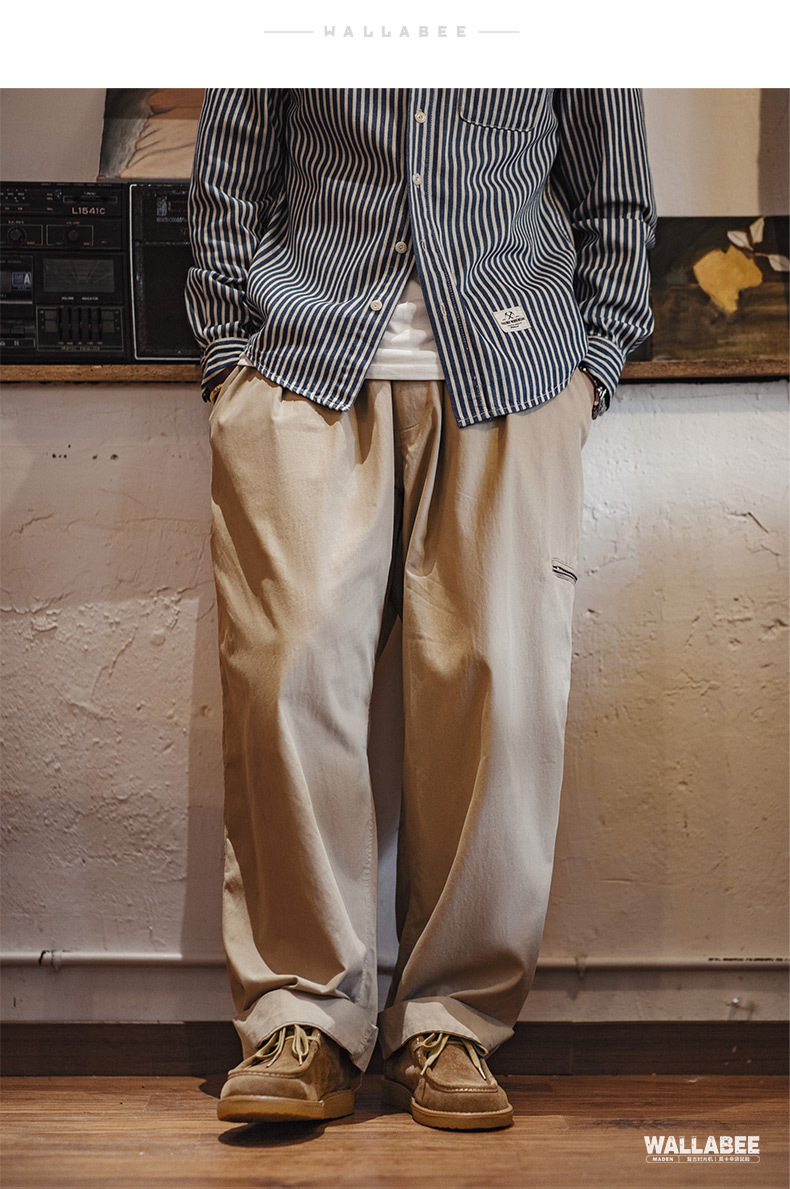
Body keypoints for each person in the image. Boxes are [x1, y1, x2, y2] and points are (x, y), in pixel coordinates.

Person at [185, 88, 656, 1131]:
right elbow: (227, 178)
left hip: (513, 369)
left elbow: (616, 198)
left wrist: (590, 371)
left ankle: (452, 1020)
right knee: (286, 671)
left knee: (498, 690)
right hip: (302, 362)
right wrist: (226, 362)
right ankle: (300, 1018)